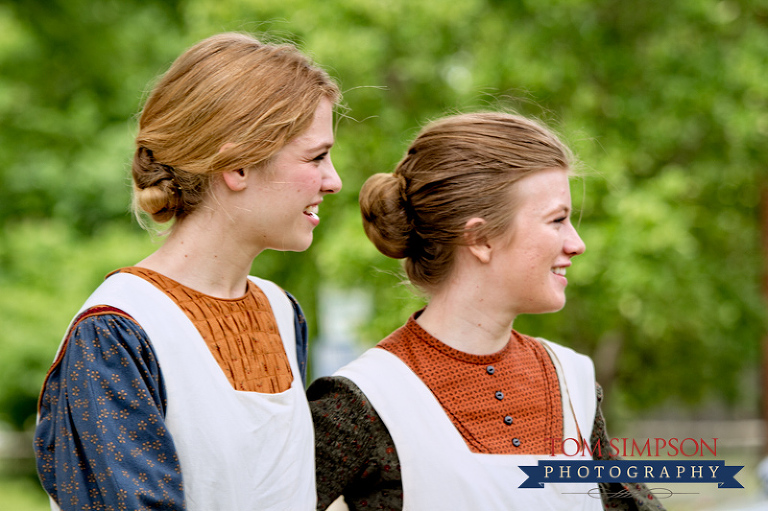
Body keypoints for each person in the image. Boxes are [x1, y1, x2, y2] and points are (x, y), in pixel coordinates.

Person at [35, 32, 341, 511]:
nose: (333, 180)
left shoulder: (283, 312)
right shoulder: (116, 334)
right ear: (236, 165)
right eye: (316, 156)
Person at [309, 112, 664, 510]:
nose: (576, 243)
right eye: (557, 220)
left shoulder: (573, 383)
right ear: (479, 239)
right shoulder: (363, 400)